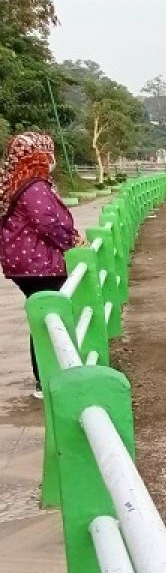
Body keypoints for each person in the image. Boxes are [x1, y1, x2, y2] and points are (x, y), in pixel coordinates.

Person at [0, 132, 82, 398]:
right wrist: (72, 242)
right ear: (39, 157)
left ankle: (47, 377)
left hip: (26, 264)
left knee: (44, 317)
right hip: (38, 265)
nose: (52, 159)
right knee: (49, 318)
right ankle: (46, 380)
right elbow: (47, 222)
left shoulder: (19, 184)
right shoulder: (35, 188)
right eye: (49, 153)